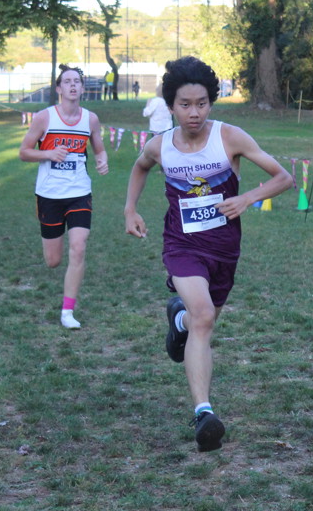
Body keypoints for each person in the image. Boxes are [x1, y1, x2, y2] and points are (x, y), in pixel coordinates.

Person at [124, 56, 292, 452]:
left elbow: (284, 177)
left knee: (204, 318)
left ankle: (178, 319)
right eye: (185, 104)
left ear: (211, 103)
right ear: (171, 105)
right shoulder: (160, 146)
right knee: (204, 317)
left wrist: (246, 198)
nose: (194, 113)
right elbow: (140, 167)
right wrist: (130, 209)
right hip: (181, 245)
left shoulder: (230, 137)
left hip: (224, 249)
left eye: (201, 103)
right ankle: (204, 413)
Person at [19, 66, 109, 329]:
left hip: (79, 192)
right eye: (67, 81)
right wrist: (48, 153)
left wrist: (102, 161)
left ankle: (67, 311)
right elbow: (24, 152)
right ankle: (54, 262)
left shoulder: (90, 119)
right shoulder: (44, 118)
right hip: (49, 195)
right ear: (58, 88)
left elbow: (99, 149)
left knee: (79, 247)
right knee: (53, 261)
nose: (72, 85)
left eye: (77, 81)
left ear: (82, 88)